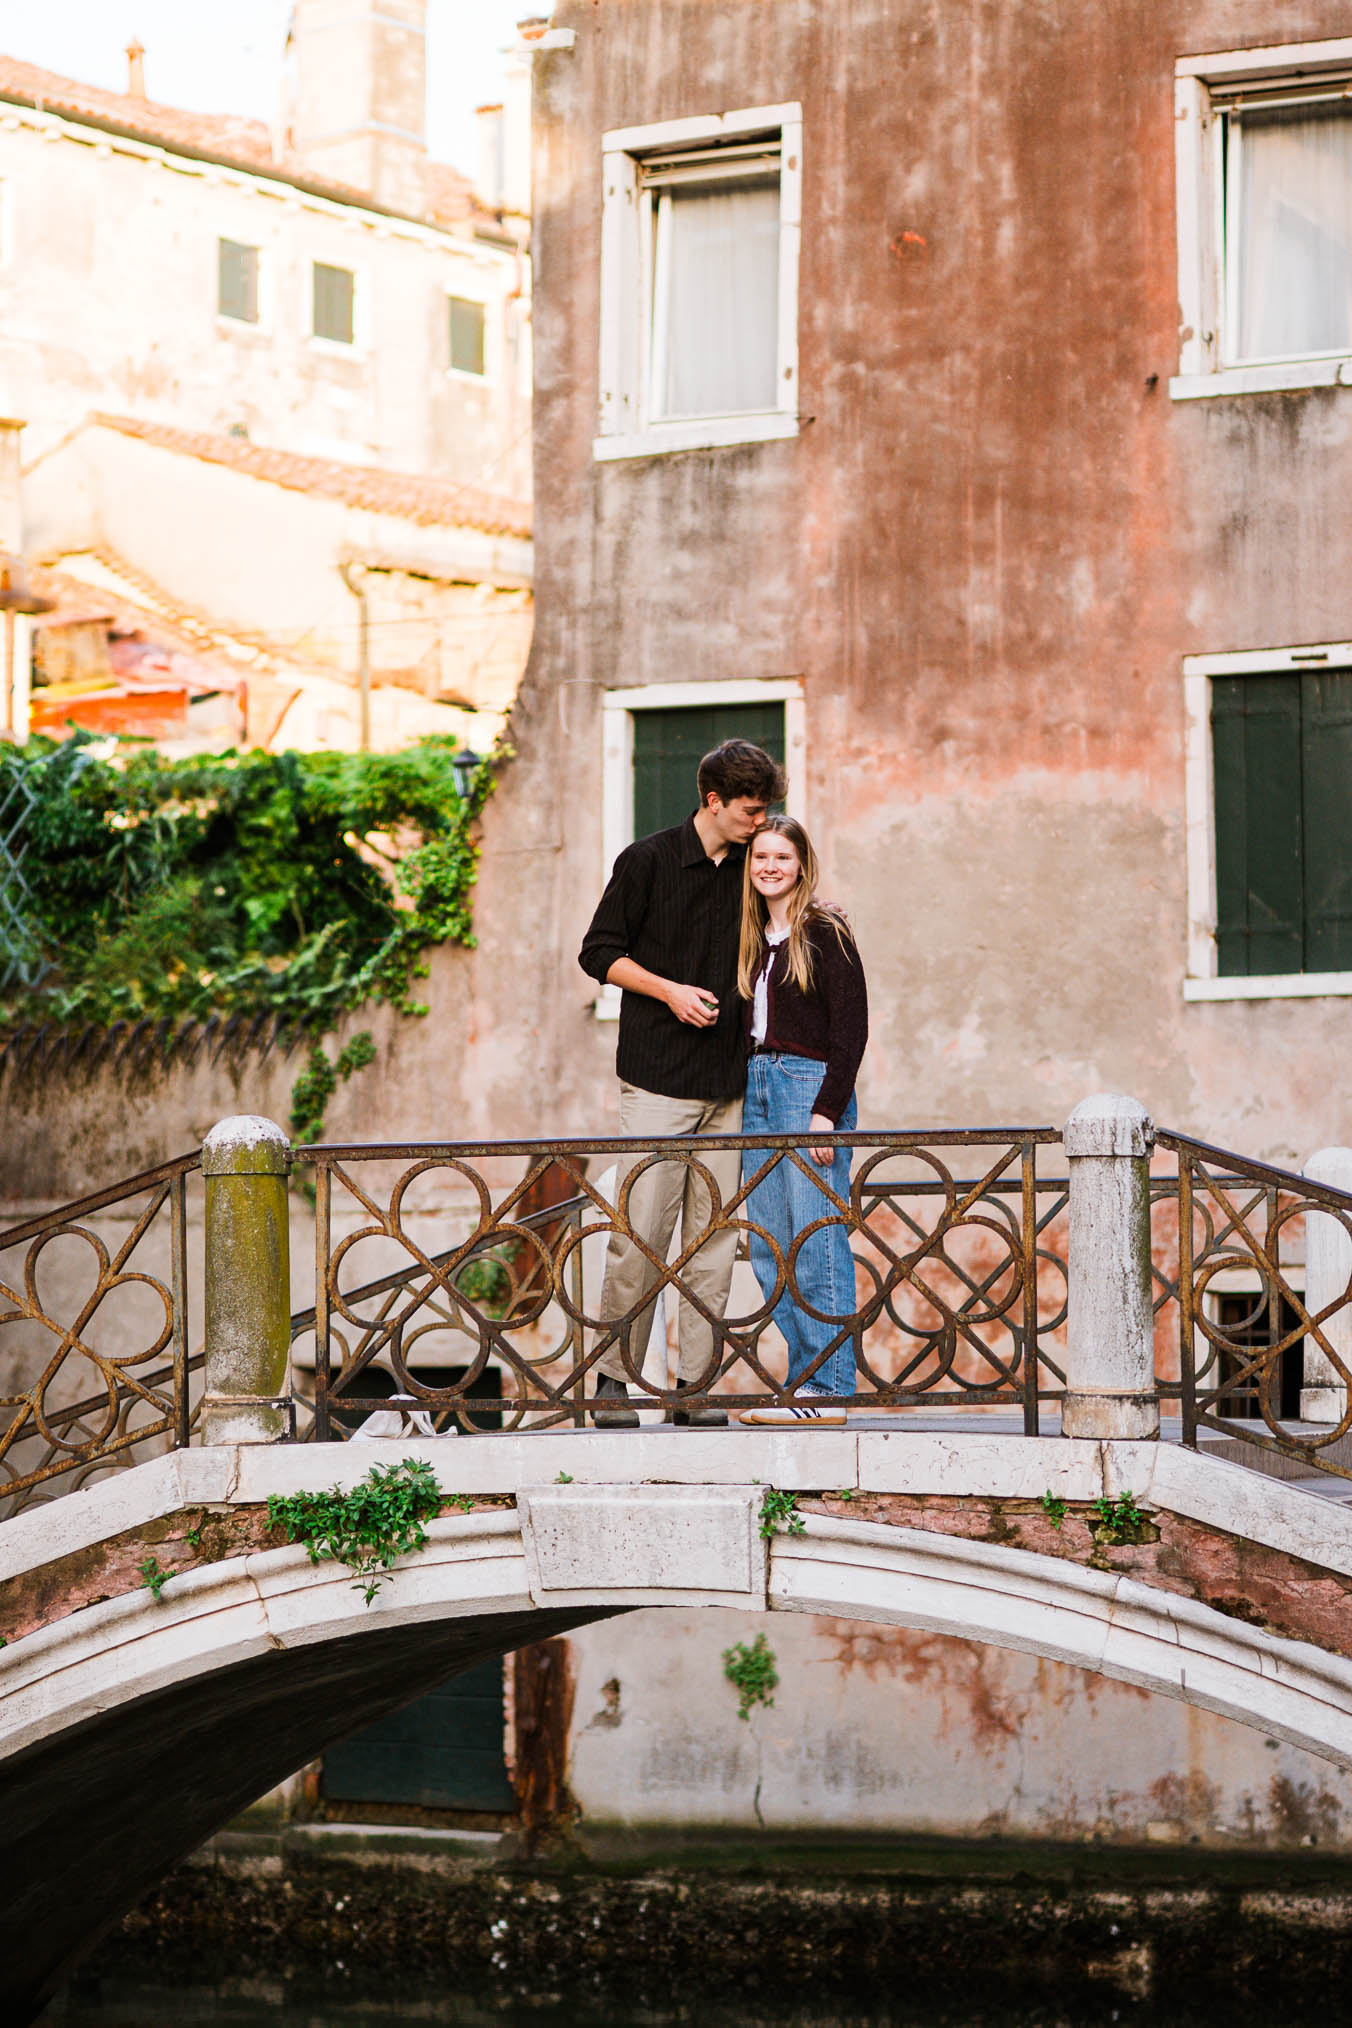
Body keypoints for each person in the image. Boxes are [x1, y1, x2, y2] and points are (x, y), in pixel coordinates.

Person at [578, 738, 790, 1427]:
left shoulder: (752, 872)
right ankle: (613, 1383)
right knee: (639, 1234)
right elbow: (598, 953)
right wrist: (668, 992)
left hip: (728, 1086)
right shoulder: (644, 861)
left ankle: (693, 1388)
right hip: (657, 1082)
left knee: (713, 1243)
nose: (761, 824)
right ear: (713, 802)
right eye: (751, 812)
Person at [734, 815, 868, 1426]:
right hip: (757, 1089)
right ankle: (803, 1383)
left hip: (806, 1090)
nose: (769, 866)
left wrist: (826, 1115)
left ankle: (830, 1389)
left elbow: (851, 1031)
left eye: (782, 857)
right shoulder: (751, 937)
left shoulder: (825, 931)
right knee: (769, 1246)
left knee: (816, 1240)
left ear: (801, 864)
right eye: (761, 855)